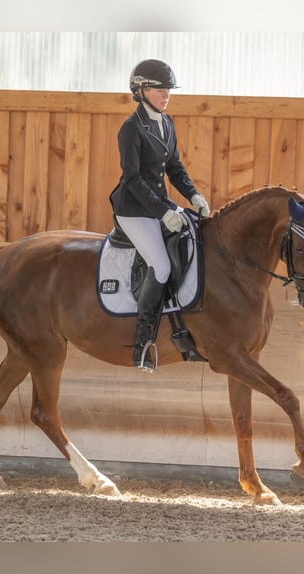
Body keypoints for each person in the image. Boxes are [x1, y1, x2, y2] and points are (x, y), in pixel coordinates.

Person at [109, 58, 211, 372]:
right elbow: (134, 179)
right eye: (159, 89)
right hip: (134, 209)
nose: (166, 94)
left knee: (195, 236)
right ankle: (142, 344)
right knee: (162, 266)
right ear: (139, 90)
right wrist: (164, 212)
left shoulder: (167, 123)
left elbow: (174, 168)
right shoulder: (131, 128)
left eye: (168, 89)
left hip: (158, 205)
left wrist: (193, 195)